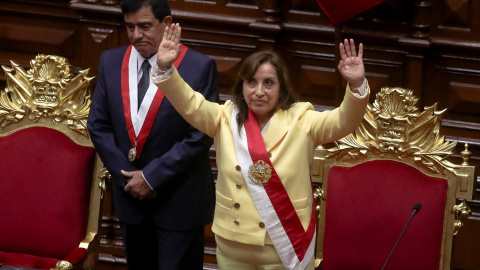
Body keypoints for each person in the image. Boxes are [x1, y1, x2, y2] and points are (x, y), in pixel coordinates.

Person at [152, 23, 369, 270]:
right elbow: (189, 103)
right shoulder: (225, 117)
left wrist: (356, 85)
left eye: (268, 83)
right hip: (233, 243)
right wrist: (166, 68)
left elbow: (343, 121)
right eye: (251, 82)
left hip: (284, 244)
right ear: (241, 86)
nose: (258, 92)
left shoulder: (302, 118)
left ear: (282, 87)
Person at [86, 0, 219, 269]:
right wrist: (130, 179)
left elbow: (201, 134)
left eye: (145, 26)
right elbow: (98, 125)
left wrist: (151, 177)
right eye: (130, 27)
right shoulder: (110, 61)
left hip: (179, 201)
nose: (136, 35)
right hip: (131, 200)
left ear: (166, 24)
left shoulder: (198, 66)